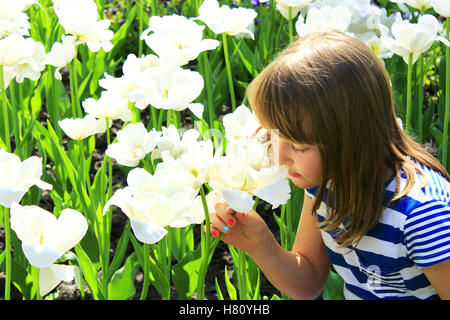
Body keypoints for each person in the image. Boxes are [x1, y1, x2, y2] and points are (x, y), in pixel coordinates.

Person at [208, 31, 450, 300]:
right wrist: (261, 244)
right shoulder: (326, 186)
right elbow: (308, 282)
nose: (278, 158)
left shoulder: (423, 217)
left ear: (352, 139)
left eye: (298, 146)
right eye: (273, 138)